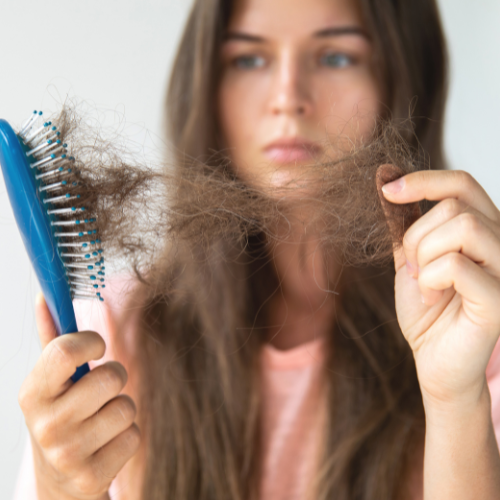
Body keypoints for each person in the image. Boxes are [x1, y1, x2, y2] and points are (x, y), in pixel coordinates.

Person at [14, 0, 500, 499]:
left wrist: (455, 402)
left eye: (336, 57)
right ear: (206, 85)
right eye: (249, 60)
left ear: (404, 80)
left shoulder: (476, 335)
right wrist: (60, 488)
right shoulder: (113, 340)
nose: (288, 97)